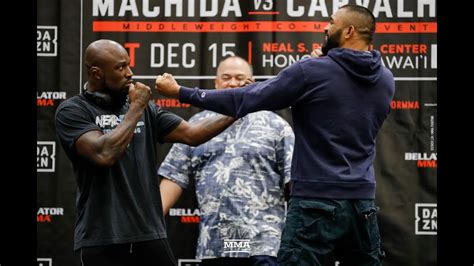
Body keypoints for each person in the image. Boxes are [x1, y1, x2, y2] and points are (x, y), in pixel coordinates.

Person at [155, 5, 395, 266]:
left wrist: (181, 92)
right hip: (362, 203)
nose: (325, 28)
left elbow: (246, 98)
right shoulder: (385, 79)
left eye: (330, 22)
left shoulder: (311, 72)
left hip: (315, 201)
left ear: (348, 31)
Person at [54, 39, 237, 266]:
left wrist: (240, 106)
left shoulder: (145, 109)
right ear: (96, 73)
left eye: (128, 65)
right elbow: (105, 153)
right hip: (102, 237)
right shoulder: (73, 110)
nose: (129, 73)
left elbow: (193, 134)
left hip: (149, 234)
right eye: (120, 67)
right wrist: (136, 108)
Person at [158, 56, 295, 266]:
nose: (232, 83)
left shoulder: (277, 126)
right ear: (215, 84)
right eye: (226, 77)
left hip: (263, 244)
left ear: (252, 82)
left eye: (240, 78)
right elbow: (174, 177)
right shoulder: (195, 127)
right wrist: (148, 224)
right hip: (214, 246)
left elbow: (293, 183)